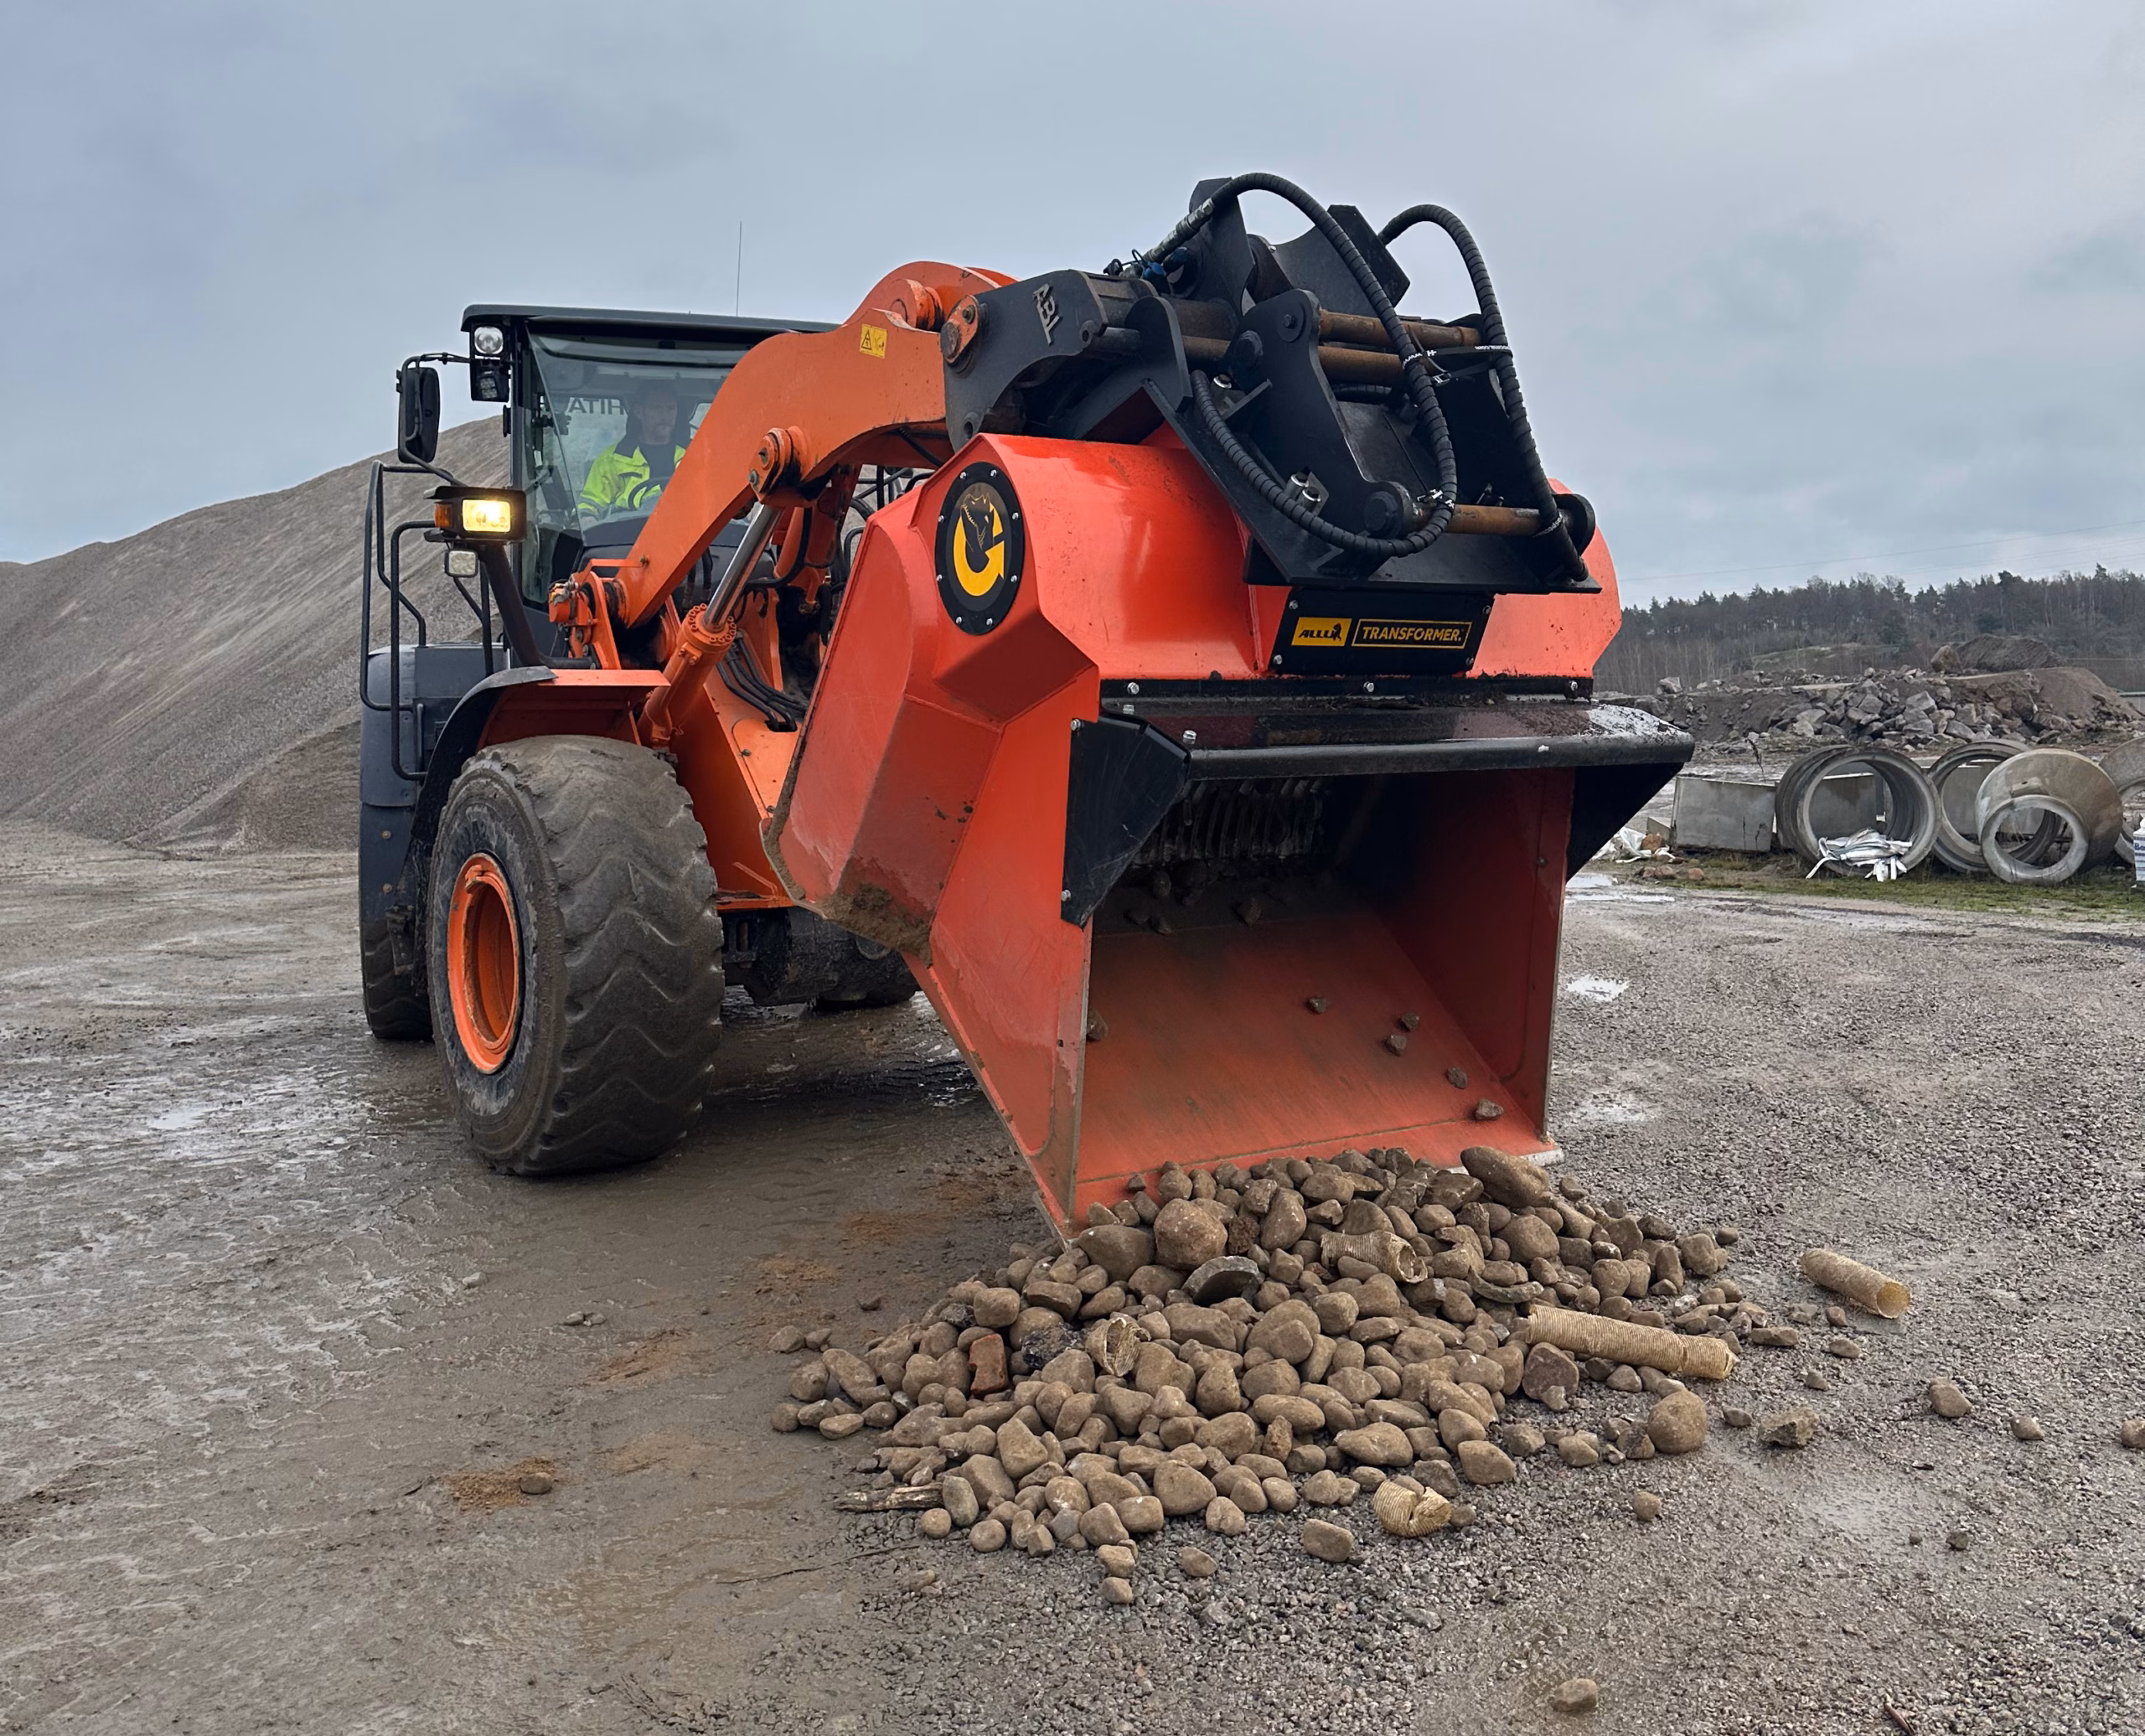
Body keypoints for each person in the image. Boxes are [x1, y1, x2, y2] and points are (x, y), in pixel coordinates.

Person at [578, 380, 688, 516]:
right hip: (628, 533)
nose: (665, 415)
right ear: (639, 412)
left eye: (671, 408)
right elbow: (591, 503)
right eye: (657, 408)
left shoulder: (695, 456)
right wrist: (587, 517)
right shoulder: (613, 458)